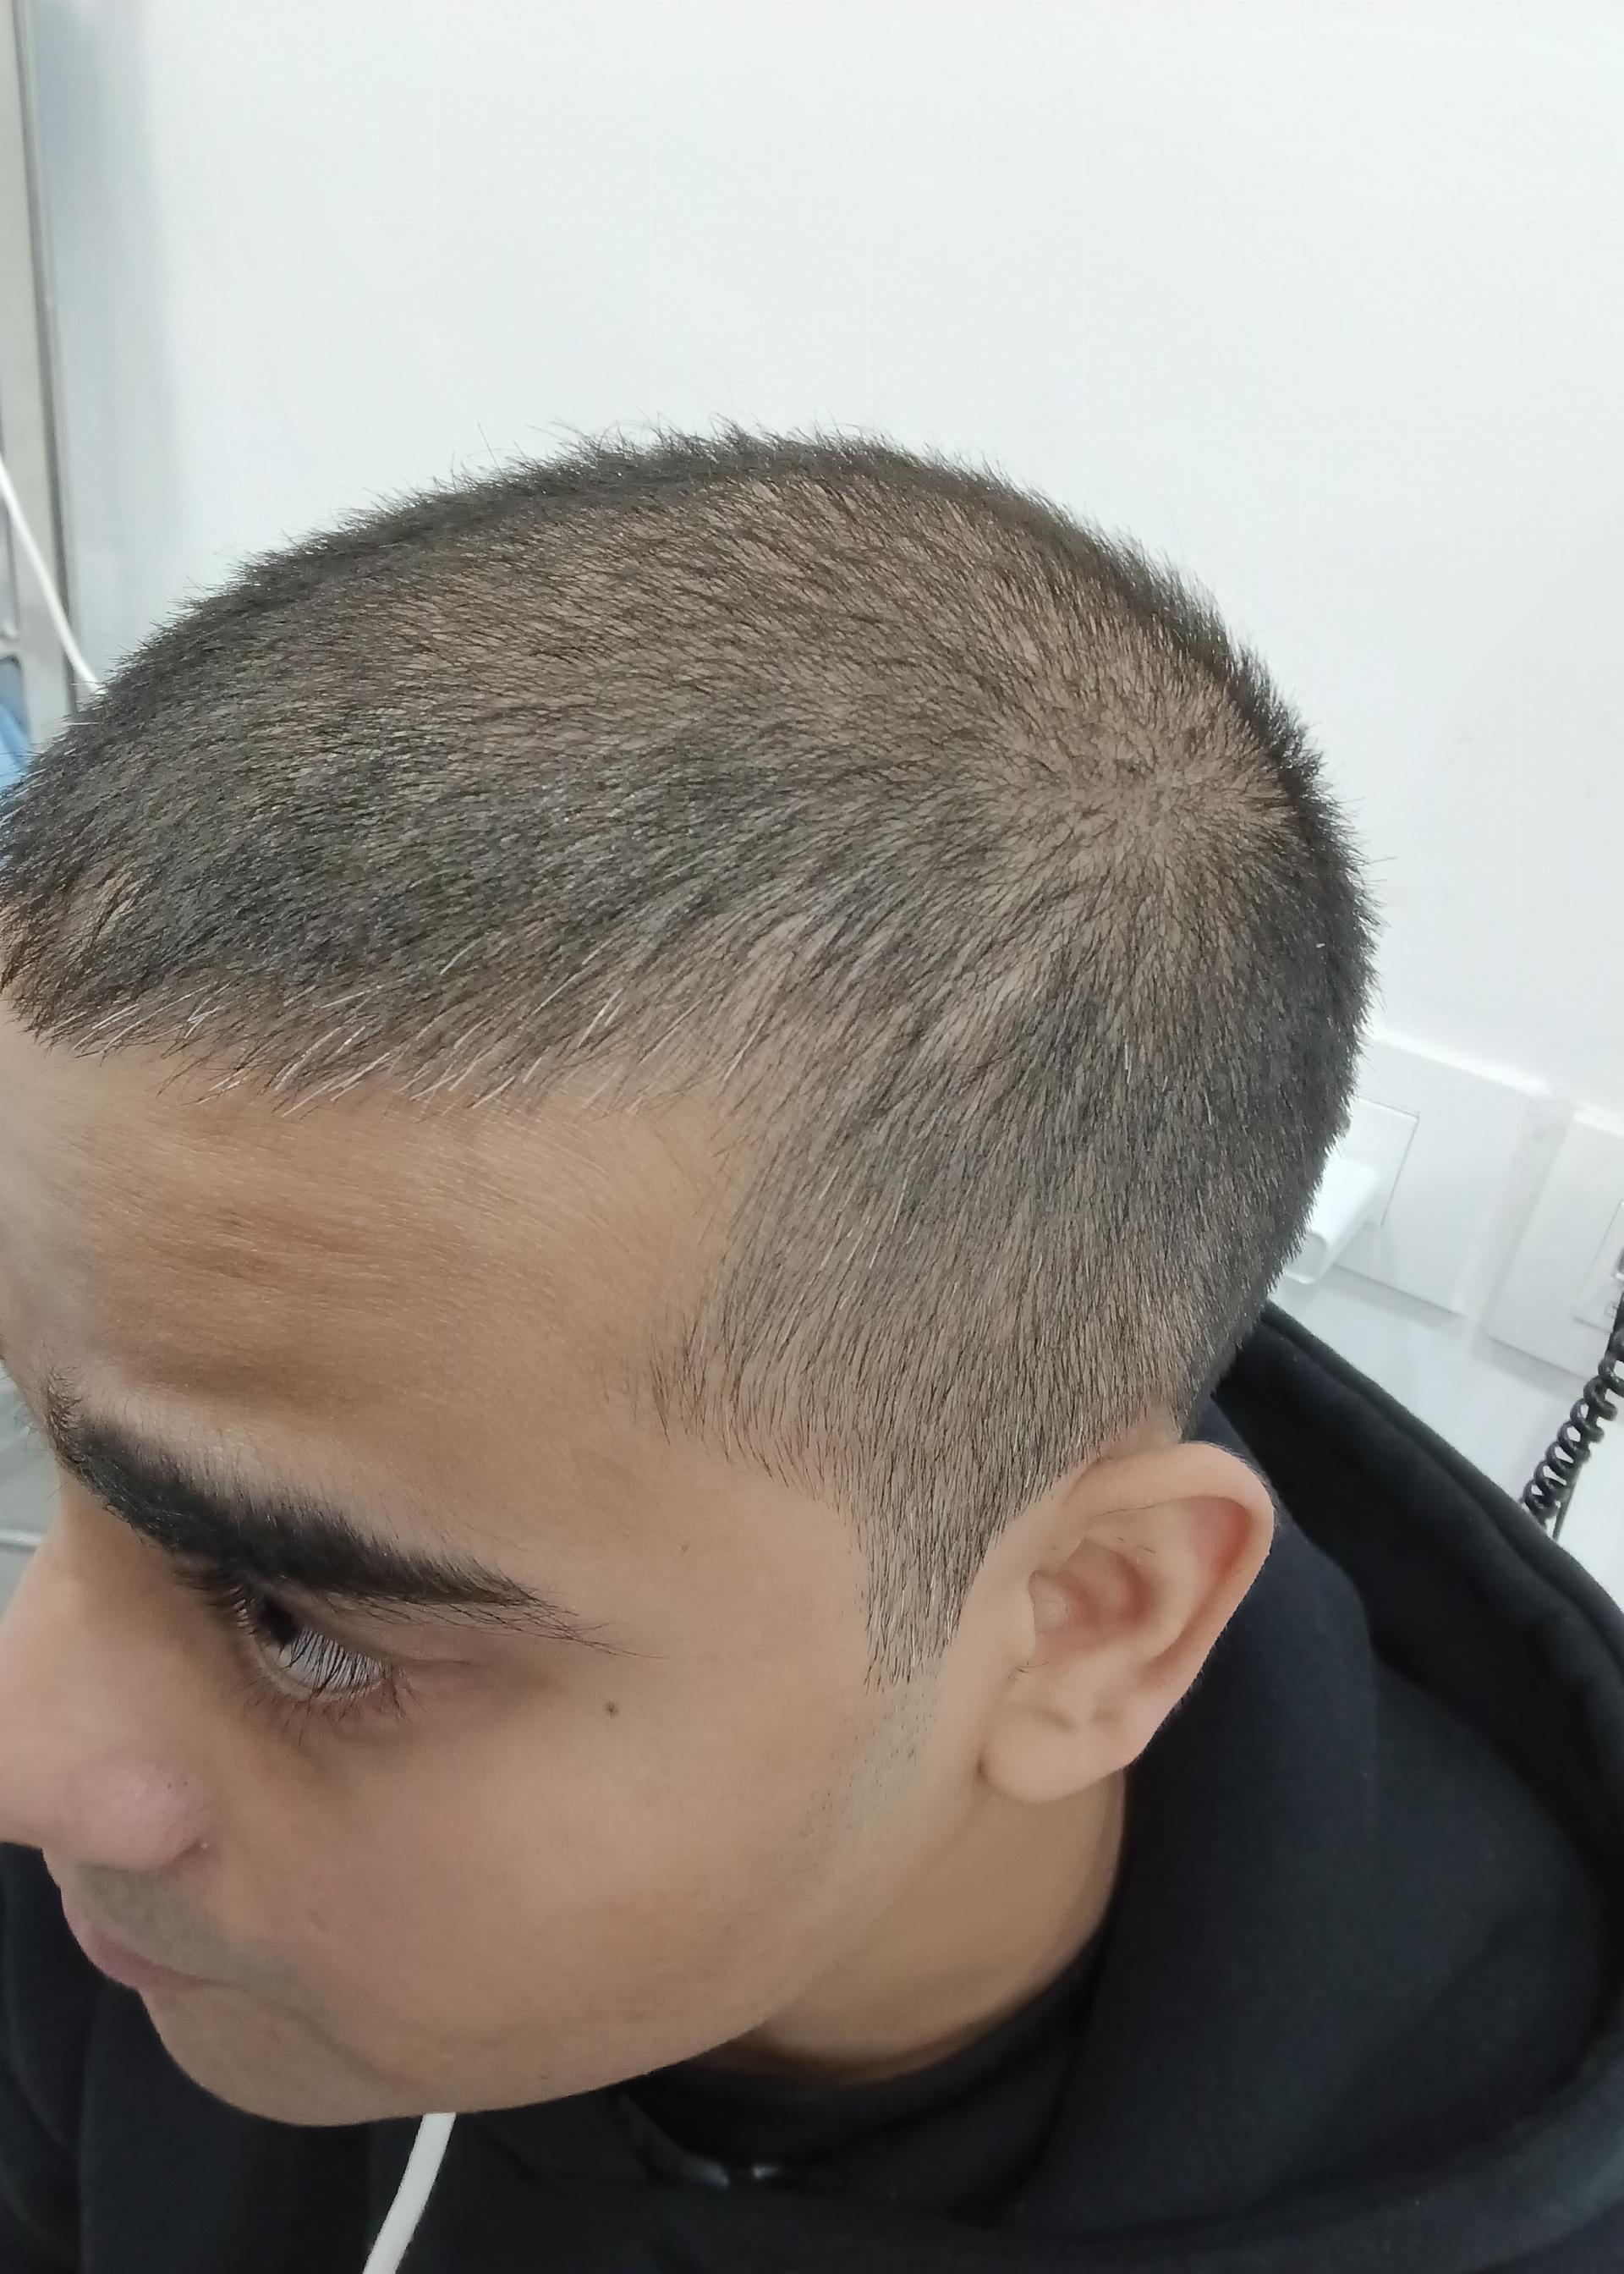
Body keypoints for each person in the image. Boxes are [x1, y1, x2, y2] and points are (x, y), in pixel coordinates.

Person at [0, 429, 1618, 2274]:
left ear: (1088, 1623)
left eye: (300, 1629)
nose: (25, 1766)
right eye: (34, 1433)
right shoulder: (137, 1904)